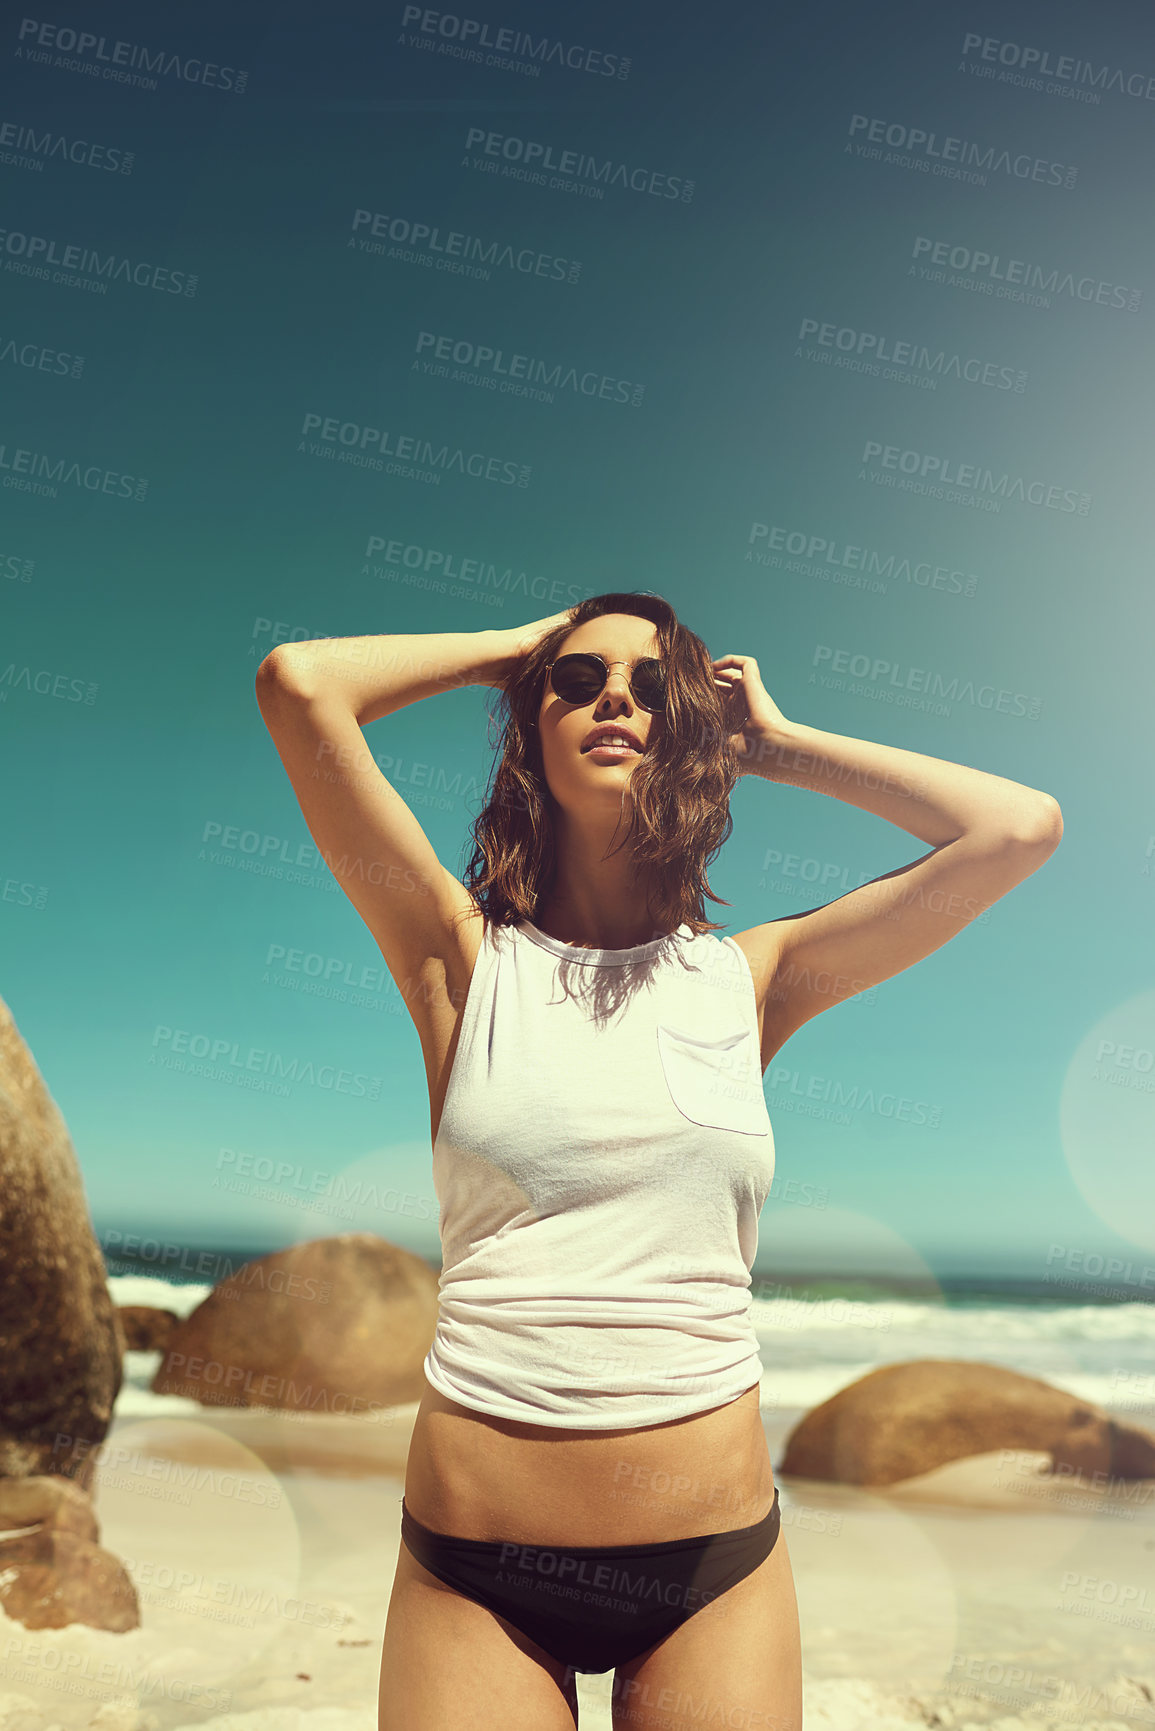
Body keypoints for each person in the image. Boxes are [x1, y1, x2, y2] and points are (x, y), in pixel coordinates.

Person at [255, 591, 1062, 1731]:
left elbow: (1019, 829)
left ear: (690, 731)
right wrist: (517, 652)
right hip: (473, 1580)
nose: (614, 698)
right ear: (534, 724)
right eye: (580, 683)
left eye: (650, 686)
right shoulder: (456, 956)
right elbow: (299, 685)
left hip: (711, 1577)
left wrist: (777, 746)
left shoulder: (755, 977)